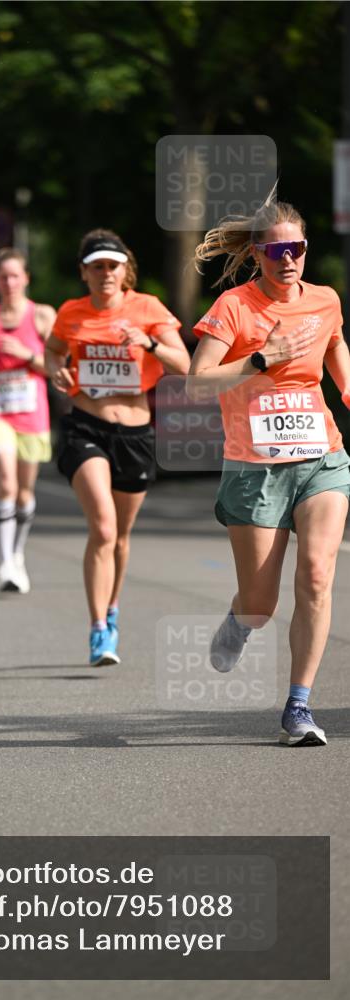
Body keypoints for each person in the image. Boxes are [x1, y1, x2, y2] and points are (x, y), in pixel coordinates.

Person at [187, 195, 350, 747]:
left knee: (319, 575)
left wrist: (347, 386)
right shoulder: (234, 307)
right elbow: (196, 381)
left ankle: (299, 706)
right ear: (258, 253)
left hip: (320, 455)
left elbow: (335, 344)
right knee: (261, 604)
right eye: (277, 250)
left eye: (297, 248)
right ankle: (239, 620)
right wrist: (263, 356)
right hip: (255, 466)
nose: (289, 259)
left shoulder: (325, 300)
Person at [45, 230, 189, 665]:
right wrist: (58, 373)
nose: (106, 273)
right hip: (86, 426)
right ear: (84, 272)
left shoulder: (148, 309)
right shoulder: (71, 313)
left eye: (113, 265)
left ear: (125, 270)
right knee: (103, 528)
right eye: (97, 266)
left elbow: (183, 363)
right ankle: (97, 629)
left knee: (121, 538)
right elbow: (52, 351)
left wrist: (148, 342)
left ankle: (112, 609)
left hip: (135, 435)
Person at [0, 248, 56, 593]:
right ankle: (5, 562)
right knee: (5, 482)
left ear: (26, 278)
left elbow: (58, 366)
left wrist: (27, 354)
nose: (9, 282)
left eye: (15, 275)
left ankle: (17, 553)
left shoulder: (43, 316)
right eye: (3, 276)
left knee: (24, 492)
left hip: (32, 413)